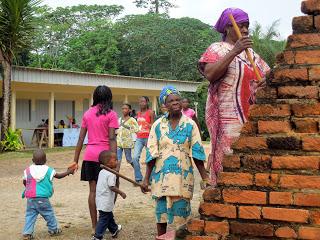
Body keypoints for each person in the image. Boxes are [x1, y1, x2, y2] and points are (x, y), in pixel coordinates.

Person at [198, 8, 270, 186]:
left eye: (247, 26)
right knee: (227, 161)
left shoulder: (253, 55)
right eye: (241, 26)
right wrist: (234, 51)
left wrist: (265, 82)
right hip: (226, 120)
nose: (245, 30)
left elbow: (268, 76)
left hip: (250, 119)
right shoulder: (217, 48)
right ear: (228, 28)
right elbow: (210, 74)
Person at [141, 86, 210, 238]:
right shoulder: (158, 125)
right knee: (161, 215)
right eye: (171, 100)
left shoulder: (190, 124)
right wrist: (146, 178)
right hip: (161, 179)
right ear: (164, 105)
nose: (176, 103)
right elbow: (151, 154)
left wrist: (205, 177)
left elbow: (197, 153)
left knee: (182, 218)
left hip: (182, 179)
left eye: (178, 99)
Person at [71, 85, 119, 233]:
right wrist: (115, 160)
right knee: (112, 188)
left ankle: (95, 226)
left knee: (93, 191)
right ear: (109, 98)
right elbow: (111, 138)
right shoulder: (111, 114)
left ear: (95, 97)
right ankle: (105, 221)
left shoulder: (87, 114)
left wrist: (75, 160)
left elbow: (80, 138)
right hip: (106, 158)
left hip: (90, 156)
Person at [22, 149, 74, 240]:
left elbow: (25, 181)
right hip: (43, 198)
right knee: (48, 213)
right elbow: (59, 176)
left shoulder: (28, 170)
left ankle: (27, 233)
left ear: (32, 160)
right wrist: (68, 172)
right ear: (45, 160)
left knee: (30, 215)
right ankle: (53, 229)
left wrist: (28, 188)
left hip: (30, 198)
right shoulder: (48, 170)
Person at [91, 151, 126, 240]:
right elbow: (112, 187)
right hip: (106, 200)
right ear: (108, 163)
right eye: (115, 160)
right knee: (104, 218)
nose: (117, 161)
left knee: (108, 215)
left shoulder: (102, 171)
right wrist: (121, 192)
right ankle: (97, 236)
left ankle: (114, 229)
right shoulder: (111, 174)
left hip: (100, 199)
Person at [132, 96, 155, 183]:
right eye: (140, 101)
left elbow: (153, 124)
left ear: (147, 102)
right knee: (134, 158)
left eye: (143, 101)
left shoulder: (151, 112)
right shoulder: (137, 114)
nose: (141, 103)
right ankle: (138, 178)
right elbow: (135, 125)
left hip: (149, 138)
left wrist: (148, 124)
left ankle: (150, 179)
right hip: (139, 138)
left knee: (149, 158)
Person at [117, 103, 139, 170]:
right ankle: (117, 178)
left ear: (130, 110)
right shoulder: (119, 119)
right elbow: (116, 129)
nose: (124, 110)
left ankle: (137, 170)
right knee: (118, 160)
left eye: (126, 108)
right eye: (123, 108)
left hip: (127, 143)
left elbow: (137, 130)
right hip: (118, 142)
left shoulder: (132, 120)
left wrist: (130, 128)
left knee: (129, 159)